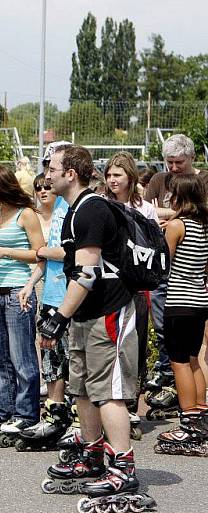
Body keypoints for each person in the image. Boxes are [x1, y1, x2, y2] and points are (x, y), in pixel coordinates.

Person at [39, 145, 143, 503]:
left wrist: (57, 317)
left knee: (108, 392)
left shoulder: (91, 209)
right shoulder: (72, 210)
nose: (47, 174)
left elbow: (86, 273)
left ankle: (124, 467)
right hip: (86, 314)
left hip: (109, 312)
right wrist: (66, 316)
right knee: (81, 388)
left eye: (52, 168)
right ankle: (93, 452)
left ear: (71, 174)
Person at [0, 166, 45, 443]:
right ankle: (4, 408)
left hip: (18, 289)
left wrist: (5, 251)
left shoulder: (25, 214)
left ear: (0, 189)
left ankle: (27, 413)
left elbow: (40, 254)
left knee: (21, 354)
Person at [143, 134, 208, 391]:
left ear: (191, 158)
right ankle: (197, 406)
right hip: (191, 291)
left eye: (178, 162)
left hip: (182, 288)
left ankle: (189, 411)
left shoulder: (177, 225)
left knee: (183, 357)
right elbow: (146, 210)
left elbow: (162, 257)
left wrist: (169, 220)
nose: (172, 168)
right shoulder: (160, 180)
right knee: (186, 354)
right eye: (168, 162)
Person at [16, 173, 71, 450]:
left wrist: (46, 251)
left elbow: (68, 253)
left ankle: (75, 418)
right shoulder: (39, 219)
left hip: (71, 298)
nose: (42, 191)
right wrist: (29, 285)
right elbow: (43, 260)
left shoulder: (68, 212)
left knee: (72, 359)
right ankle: (54, 413)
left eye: (48, 186)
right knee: (50, 358)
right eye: (38, 188)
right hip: (49, 295)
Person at [155, 174, 208, 456]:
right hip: (200, 300)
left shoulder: (177, 225)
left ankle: (187, 422)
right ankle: (200, 415)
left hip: (179, 301)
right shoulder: (204, 224)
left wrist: (160, 234)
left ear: (179, 196)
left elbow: (163, 262)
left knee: (178, 363)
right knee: (193, 359)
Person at [104, 152, 157, 410]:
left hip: (136, 287)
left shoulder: (144, 209)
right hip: (107, 287)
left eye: (118, 175)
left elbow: (154, 247)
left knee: (134, 346)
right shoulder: (100, 204)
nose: (113, 180)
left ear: (130, 177)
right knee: (108, 347)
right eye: (109, 175)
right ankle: (110, 404)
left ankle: (131, 403)